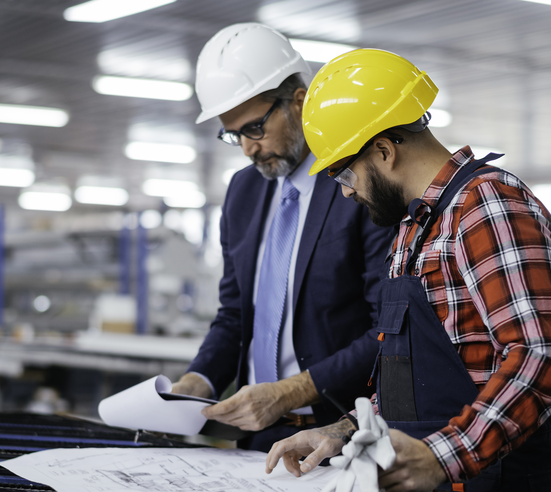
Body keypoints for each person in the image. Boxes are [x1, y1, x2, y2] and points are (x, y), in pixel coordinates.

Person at [266, 49, 551, 491]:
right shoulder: (414, 229)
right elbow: (409, 385)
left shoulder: (486, 207)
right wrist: (346, 431)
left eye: (344, 175)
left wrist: (442, 457)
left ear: (384, 150)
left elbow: (541, 358)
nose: (347, 195)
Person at [169, 24, 394, 452]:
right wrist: (197, 381)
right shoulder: (243, 192)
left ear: (300, 102)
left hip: (340, 435)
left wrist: (292, 391)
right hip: (258, 435)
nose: (248, 149)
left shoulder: (358, 184)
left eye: (255, 128)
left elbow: (388, 330)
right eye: (233, 134)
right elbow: (235, 315)